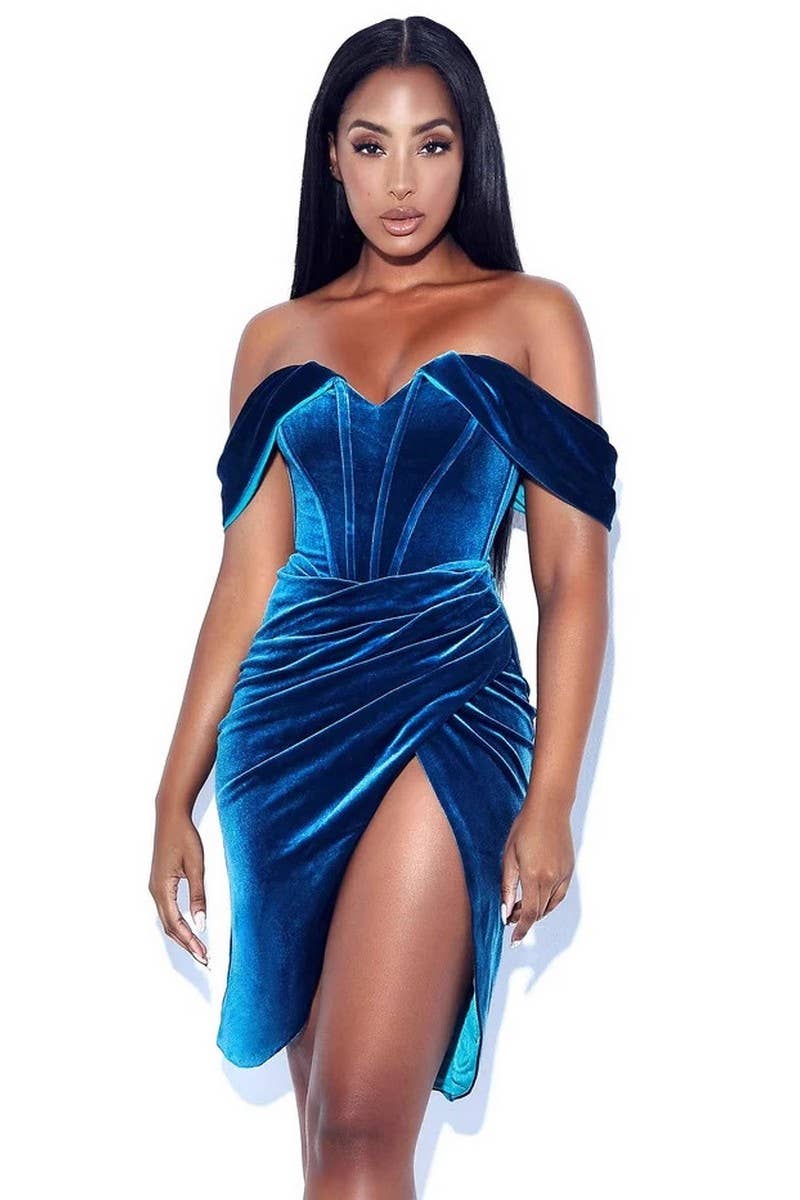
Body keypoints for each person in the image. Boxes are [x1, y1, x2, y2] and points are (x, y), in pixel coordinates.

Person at [149, 15, 617, 1196]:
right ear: (331, 158)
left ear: (471, 153)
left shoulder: (533, 316)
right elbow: (246, 577)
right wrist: (170, 792)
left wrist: (552, 797)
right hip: (282, 734)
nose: (400, 181)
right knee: (328, 1144)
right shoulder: (274, 338)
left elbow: (570, 579)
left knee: (361, 1128)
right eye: (370, 146)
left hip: (448, 707)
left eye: (431, 144)